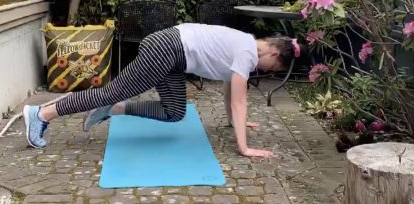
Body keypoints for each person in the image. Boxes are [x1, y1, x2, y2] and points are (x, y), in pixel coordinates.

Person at [23, 23, 303, 158]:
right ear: (274, 53)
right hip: (167, 48)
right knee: (112, 90)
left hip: (174, 56)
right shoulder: (247, 52)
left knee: (174, 112)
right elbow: (241, 101)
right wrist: (244, 147)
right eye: (271, 67)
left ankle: (114, 109)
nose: (265, 71)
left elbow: (230, 90)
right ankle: (42, 114)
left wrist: (233, 122)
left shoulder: (244, 45)